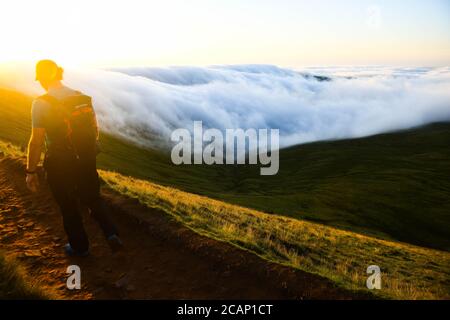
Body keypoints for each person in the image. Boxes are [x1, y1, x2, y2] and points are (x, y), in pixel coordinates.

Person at [26, 59, 122, 256]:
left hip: (58, 162)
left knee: (68, 204)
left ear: (42, 79)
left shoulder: (41, 103)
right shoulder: (82, 97)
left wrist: (30, 171)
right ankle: (111, 233)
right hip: (85, 157)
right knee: (93, 197)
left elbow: (36, 141)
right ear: (60, 74)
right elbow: (95, 128)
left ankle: (80, 246)